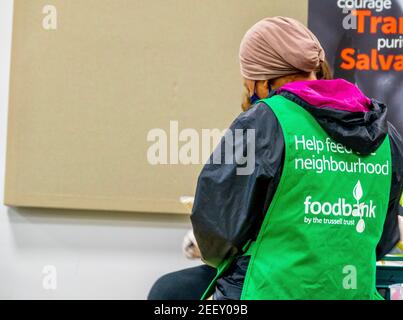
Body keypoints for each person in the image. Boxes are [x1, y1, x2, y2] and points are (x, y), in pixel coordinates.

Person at [148, 16, 403, 300]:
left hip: (267, 292)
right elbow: (383, 239)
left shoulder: (262, 122)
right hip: (353, 293)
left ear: (260, 78)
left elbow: (216, 232)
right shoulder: (384, 134)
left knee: (167, 295)